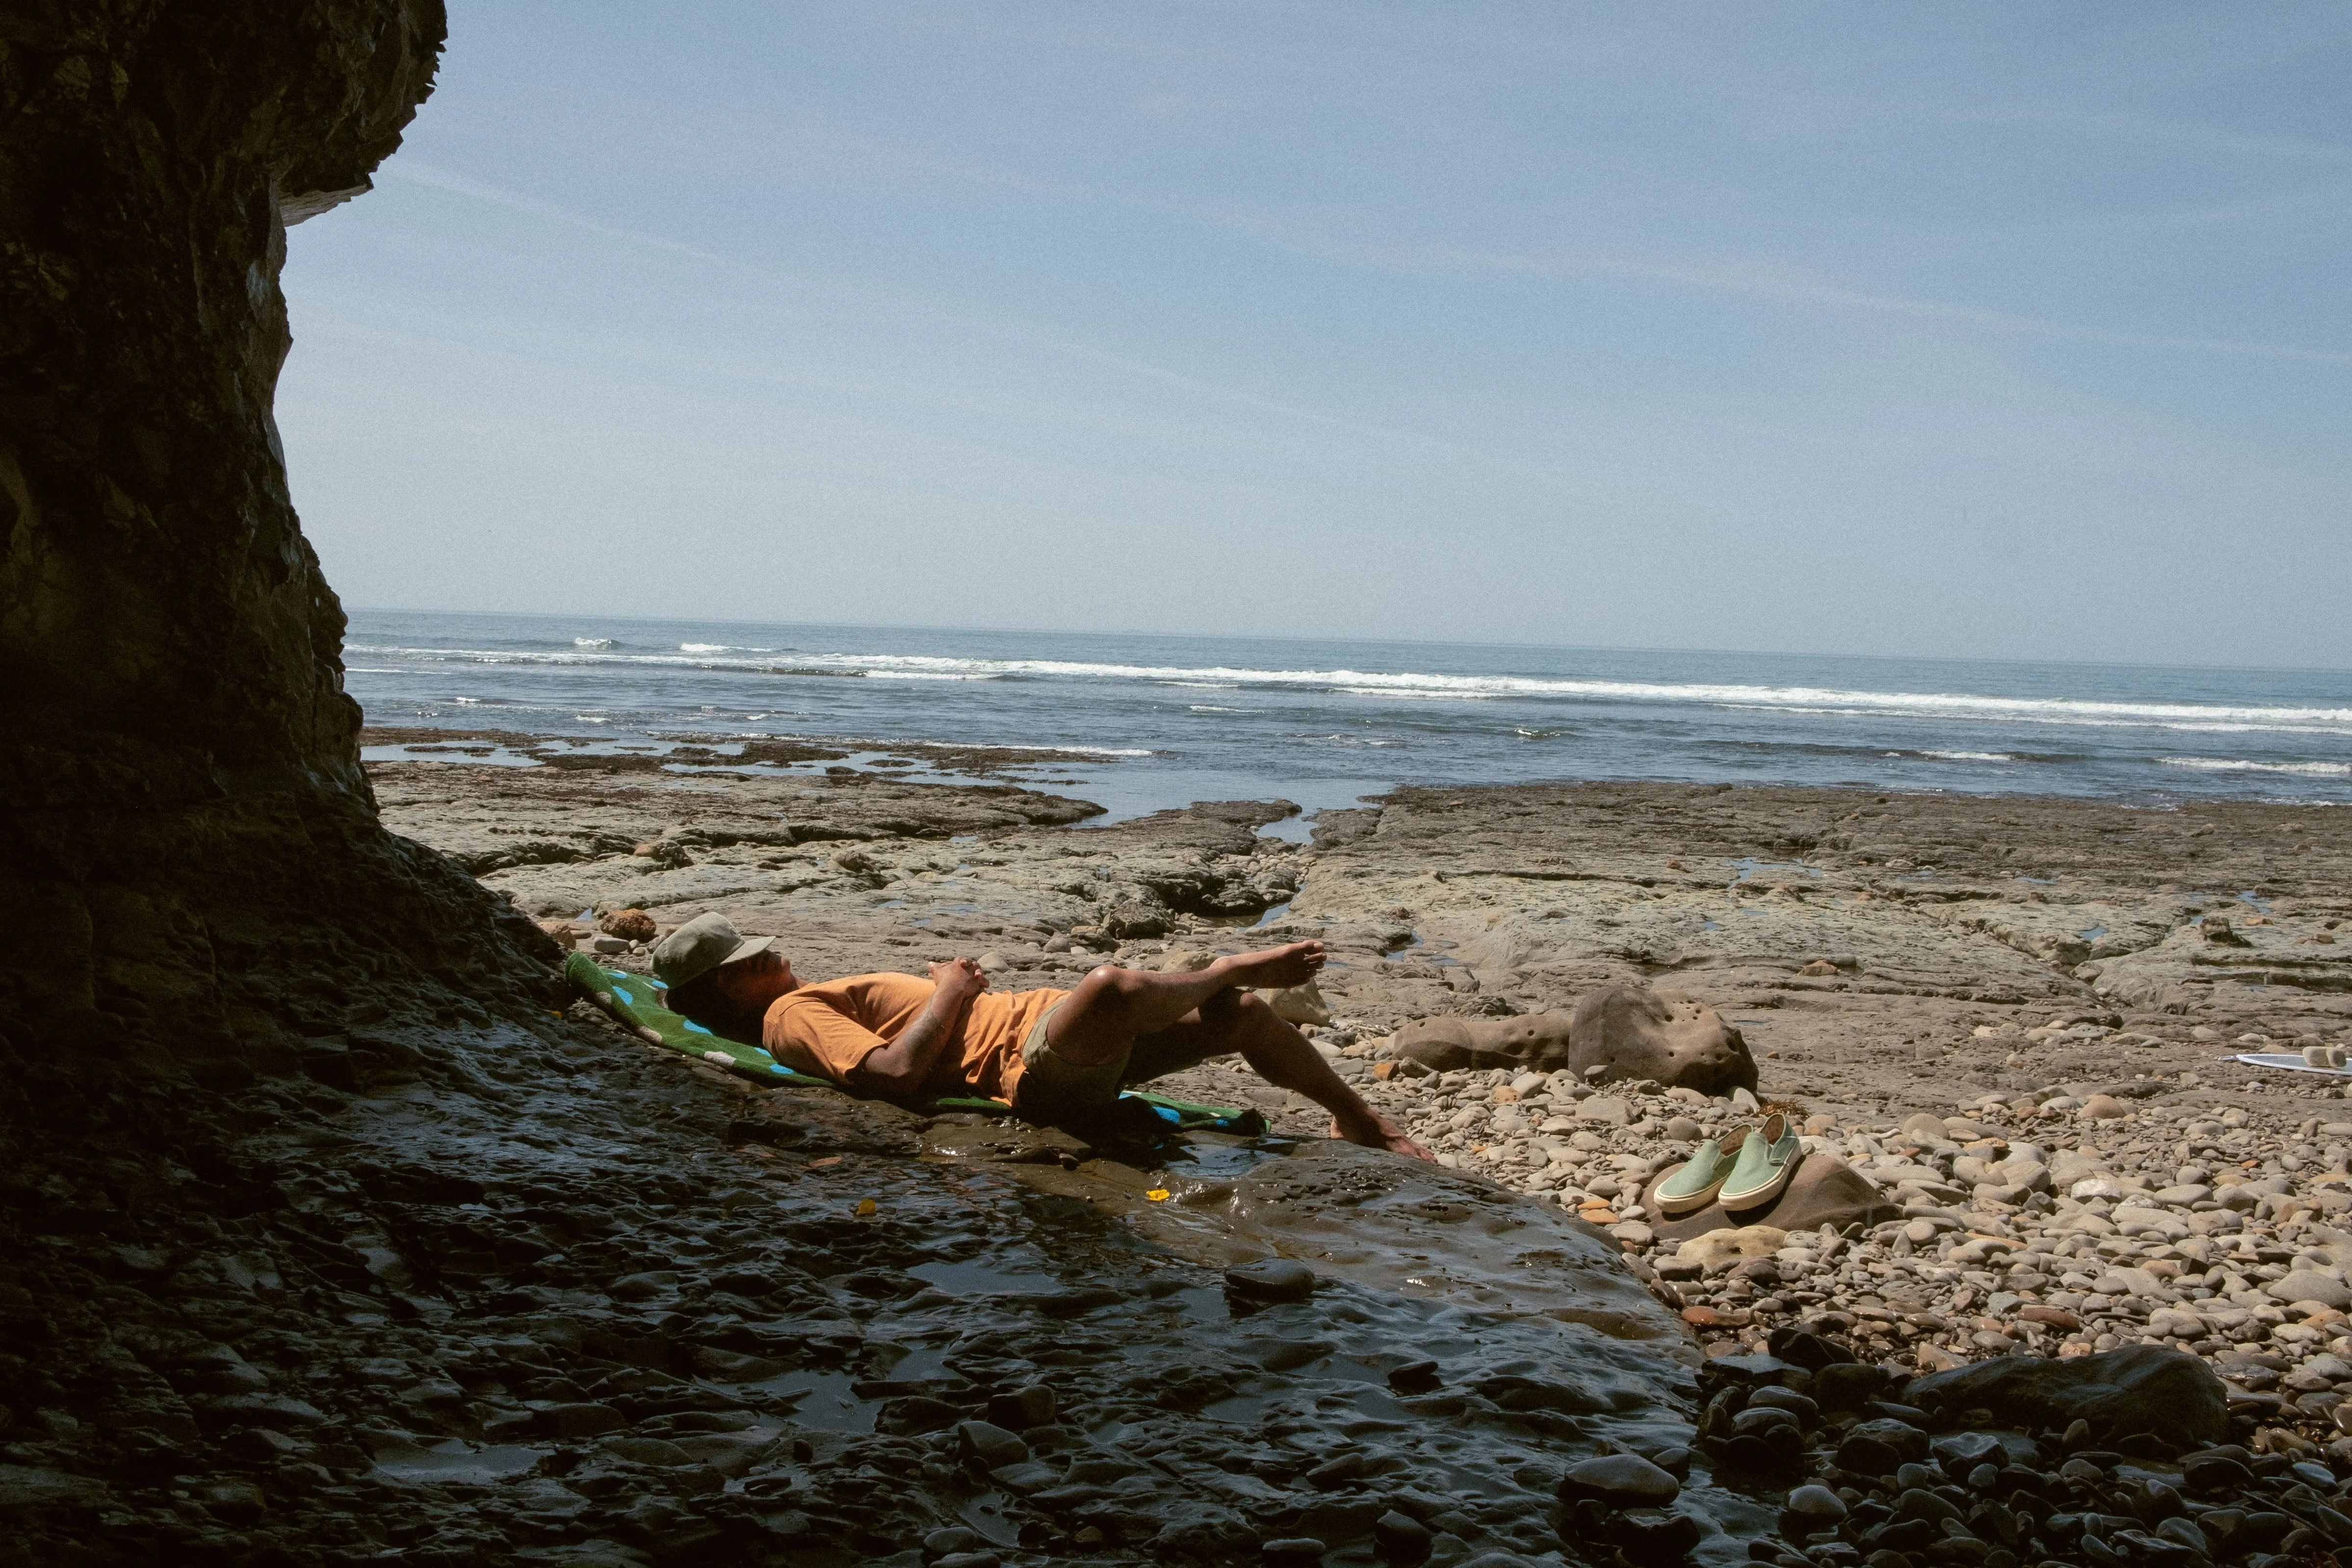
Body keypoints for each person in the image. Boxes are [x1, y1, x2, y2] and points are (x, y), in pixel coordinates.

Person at [651, 912, 1429, 1158]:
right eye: (759, 958)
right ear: (729, 982)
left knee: (1246, 1018)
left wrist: (936, 991)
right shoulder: (787, 1016)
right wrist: (953, 991)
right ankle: (1226, 964)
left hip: (1056, 1037)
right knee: (1114, 985)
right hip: (1032, 1066)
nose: (778, 955)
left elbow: (906, 1031)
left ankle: (1360, 1118)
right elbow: (891, 1074)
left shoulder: (805, 996)